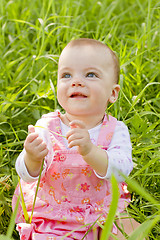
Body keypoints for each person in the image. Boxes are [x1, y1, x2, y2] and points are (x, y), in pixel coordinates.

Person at [12, 38, 139, 240]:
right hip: (56, 211)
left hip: (102, 209)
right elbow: (26, 175)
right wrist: (31, 158)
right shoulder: (48, 126)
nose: (76, 81)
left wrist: (90, 151)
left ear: (112, 93)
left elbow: (121, 170)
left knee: (130, 233)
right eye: (66, 75)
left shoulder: (115, 130)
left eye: (91, 74)